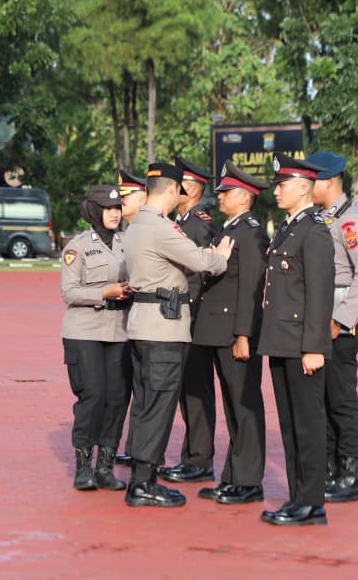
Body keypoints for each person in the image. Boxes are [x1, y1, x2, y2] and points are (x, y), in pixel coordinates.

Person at [122, 162, 232, 508]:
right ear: (171, 191)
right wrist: (220, 258)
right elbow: (202, 262)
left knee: (144, 403)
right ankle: (144, 483)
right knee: (160, 405)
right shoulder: (160, 226)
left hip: (142, 323)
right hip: (164, 328)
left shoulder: (138, 223)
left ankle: (142, 477)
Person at [259, 153, 335, 527]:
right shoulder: (289, 229)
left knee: (307, 424)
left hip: (302, 345)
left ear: (303, 188)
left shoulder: (314, 231)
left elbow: (319, 295)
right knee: (290, 425)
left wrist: (314, 347)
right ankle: (297, 497)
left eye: (282, 184)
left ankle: (312, 502)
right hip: (281, 340)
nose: (276, 190)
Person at [193, 160, 269, 506]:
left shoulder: (249, 231)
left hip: (234, 332)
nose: (219, 198)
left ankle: (249, 481)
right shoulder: (230, 229)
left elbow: (252, 288)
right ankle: (234, 477)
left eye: (225, 193)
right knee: (233, 408)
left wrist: (243, 335)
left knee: (245, 406)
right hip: (219, 330)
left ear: (242, 196)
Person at [307, 150, 358, 505]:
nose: (307, 185)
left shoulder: (349, 221)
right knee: (323, 398)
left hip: (342, 325)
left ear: (330, 181)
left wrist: (341, 319)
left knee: (341, 399)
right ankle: (332, 469)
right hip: (324, 321)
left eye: (312, 179)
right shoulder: (322, 217)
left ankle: (350, 475)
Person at [60, 185, 131, 492]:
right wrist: (104, 292)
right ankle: (83, 467)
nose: (115, 212)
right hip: (84, 331)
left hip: (120, 330)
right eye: (108, 207)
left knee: (116, 399)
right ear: (93, 210)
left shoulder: (127, 243)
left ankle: (105, 467)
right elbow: (69, 292)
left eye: (118, 207)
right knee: (94, 396)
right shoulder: (76, 247)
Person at [160, 156, 222, 485]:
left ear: (193, 191)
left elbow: (206, 273)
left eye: (179, 185)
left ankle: (200, 460)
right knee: (187, 391)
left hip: (196, 318)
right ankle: (191, 456)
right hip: (183, 317)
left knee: (197, 392)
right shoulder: (182, 223)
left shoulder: (201, 224)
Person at [113, 169, 147, 468]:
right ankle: (133, 446)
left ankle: (145, 453)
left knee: (148, 390)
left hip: (152, 320)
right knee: (127, 387)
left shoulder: (159, 228)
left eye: (126, 197)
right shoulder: (123, 235)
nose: (121, 203)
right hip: (125, 323)